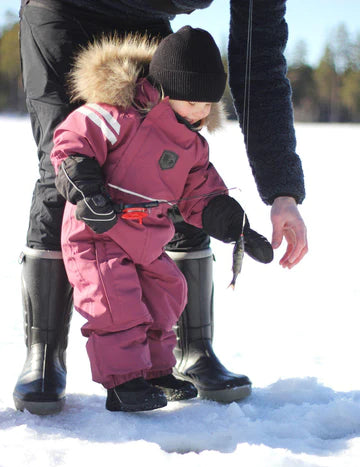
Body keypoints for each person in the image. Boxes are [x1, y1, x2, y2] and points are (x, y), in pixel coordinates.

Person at [14, 0, 307, 415]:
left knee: (172, 160)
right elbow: (72, 148)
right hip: (64, 8)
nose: (205, 114)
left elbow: (258, 65)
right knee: (62, 169)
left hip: (145, 18)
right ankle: (48, 353)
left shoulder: (186, 105)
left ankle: (185, 353)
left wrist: (278, 194)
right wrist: (83, 183)